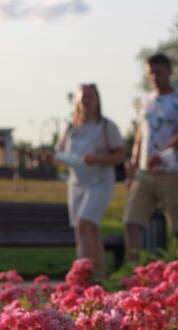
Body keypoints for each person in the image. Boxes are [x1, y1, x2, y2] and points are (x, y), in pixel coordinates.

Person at [124, 53, 178, 261]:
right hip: (145, 172)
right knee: (132, 221)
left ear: (169, 72)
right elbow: (140, 134)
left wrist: (161, 154)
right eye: (151, 73)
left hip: (172, 172)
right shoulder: (145, 101)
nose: (155, 77)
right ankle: (133, 269)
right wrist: (134, 165)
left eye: (159, 72)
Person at [55, 83, 125, 279]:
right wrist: (54, 158)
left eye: (90, 96)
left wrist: (98, 159)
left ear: (97, 100)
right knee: (91, 229)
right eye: (83, 97)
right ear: (76, 101)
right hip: (77, 183)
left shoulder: (106, 126)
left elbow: (120, 155)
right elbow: (59, 153)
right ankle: (99, 274)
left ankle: (83, 274)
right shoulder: (71, 128)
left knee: (83, 223)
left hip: (100, 181)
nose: (86, 100)